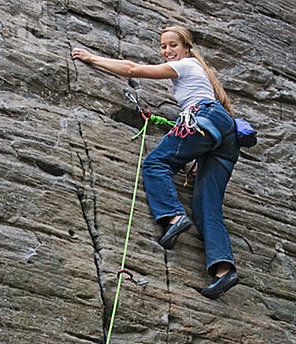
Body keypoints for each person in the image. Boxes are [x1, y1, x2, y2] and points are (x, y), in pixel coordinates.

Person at [72, 25, 241, 299]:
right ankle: (224, 270)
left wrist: (92, 58)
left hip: (202, 119)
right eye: (163, 46)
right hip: (225, 133)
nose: (167, 51)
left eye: (172, 45)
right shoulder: (202, 77)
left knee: (155, 164)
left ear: (186, 48)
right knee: (205, 205)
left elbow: (131, 69)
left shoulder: (185, 65)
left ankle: (174, 217)